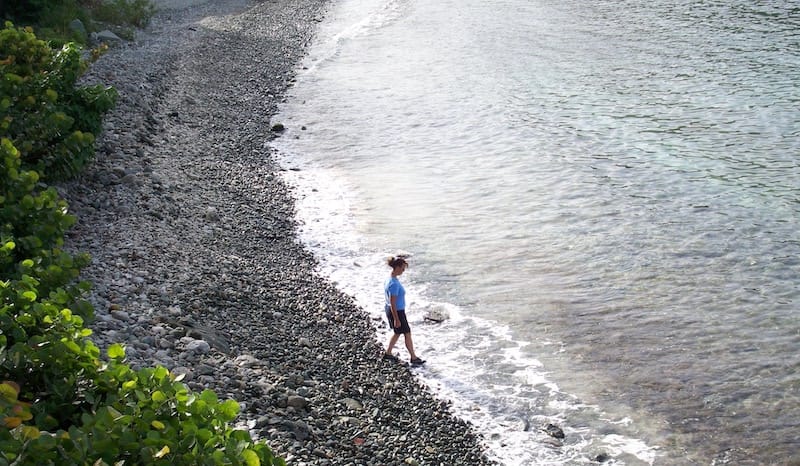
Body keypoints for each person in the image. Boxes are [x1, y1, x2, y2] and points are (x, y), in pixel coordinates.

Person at [383, 256, 425, 366]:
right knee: (407, 333)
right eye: (402, 268)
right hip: (397, 311)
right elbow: (393, 302)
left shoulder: (389, 279)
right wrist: (396, 319)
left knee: (398, 333)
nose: (403, 270)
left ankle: (388, 353)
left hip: (392, 309)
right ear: (397, 267)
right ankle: (413, 357)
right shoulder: (394, 284)